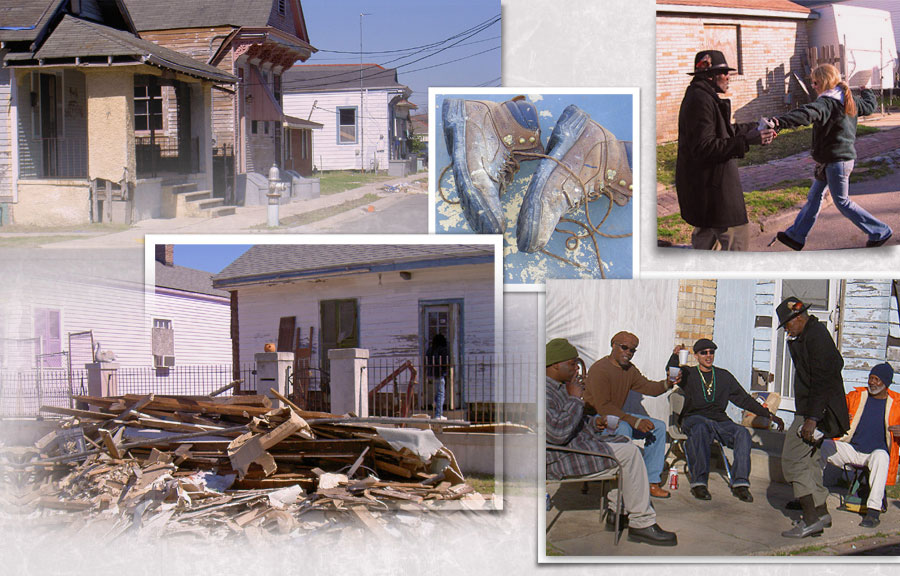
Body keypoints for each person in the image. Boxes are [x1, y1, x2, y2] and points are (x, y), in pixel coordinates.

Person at [545, 338, 677, 546]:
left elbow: (649, 387)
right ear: (555, 364)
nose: (576, 370)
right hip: (559, 456)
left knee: (643, 435)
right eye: (572, 364)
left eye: (633, 349)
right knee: (628, 447)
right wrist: (575, 400)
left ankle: (619, 508)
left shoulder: (561, 387)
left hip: (579, 441)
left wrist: (595, 423)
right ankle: (641, 523)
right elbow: (558, 434)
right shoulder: (551, 390)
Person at [770, 63, 892, 250]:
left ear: (825, 81)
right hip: (834, 161)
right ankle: (795, 236)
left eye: (815, 82)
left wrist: (779, 122)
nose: (813, 85)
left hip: (837, 162)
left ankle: (880, 231)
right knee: (815, 197)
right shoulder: (846, 99)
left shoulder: (827, 102)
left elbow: (806, 114)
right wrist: (866, 91)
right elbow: (869, 105)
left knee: (842, 202)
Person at [675, 49, 776, 251]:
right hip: (714, 191)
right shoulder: (700, 100)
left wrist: (755, 128)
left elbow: (724, 131)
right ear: (711, 76)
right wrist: (747, 142)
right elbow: (704, 147)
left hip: (705, 191)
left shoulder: (702, 96)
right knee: (737, 240)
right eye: (725, 72)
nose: (729, 77)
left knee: (704, 242)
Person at [667, 339, 784, 502]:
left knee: (742, 433)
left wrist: (769, 415)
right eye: (703, 353)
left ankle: (741, 484)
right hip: (694, 418)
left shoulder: (723, 376)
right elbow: (672, 374)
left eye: (711, 352)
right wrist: (675, 355)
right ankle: (699, 484)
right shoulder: (688, 373)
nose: (708, 356)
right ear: (696, 355)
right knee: (701, 427)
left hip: (719, 420)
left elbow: (744, 399)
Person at [776, 296, 851, 538]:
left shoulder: (816, 335)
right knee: (809, 461)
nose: (786, 329)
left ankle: (809, 520)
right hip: (814, 410)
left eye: (787, 324)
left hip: (814, 412)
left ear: (798, 317)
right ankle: (821, 513)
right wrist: (794, 341)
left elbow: (823, 378)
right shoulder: (806, 335)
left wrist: (812, 418)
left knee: (792, 460)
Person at [583, 331, 681, 499]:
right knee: (624, 428)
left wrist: (668, 383)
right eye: (624, 348)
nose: (628, 353)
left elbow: (649, 387)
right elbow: (603, 407)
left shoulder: (629, 370)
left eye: (632, 350)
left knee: (658, 427)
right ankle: (625, 485)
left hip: (616, 416)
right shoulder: (600, 369)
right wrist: (634, 421)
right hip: (596, 420)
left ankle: (652, 482)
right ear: (613, 345)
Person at [821, 362, 900, 528]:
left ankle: (873, 511)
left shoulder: (896, 404)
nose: (872, 382)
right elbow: (835, 410)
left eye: (876, 379)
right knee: (822, 446)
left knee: (882, 457)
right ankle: (810, 496)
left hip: (875, 455)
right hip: (852, 449)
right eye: (870, 378)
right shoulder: (857, 396)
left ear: (886, 383)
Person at [425, 333, 449, 419]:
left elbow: (426, 360)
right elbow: (445, 362)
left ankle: (435, 402)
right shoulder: (443, 350)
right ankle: (438, 415)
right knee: (440, 394)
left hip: (431, 374)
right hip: (439, 374)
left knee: (438, 392)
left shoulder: (430, 349)